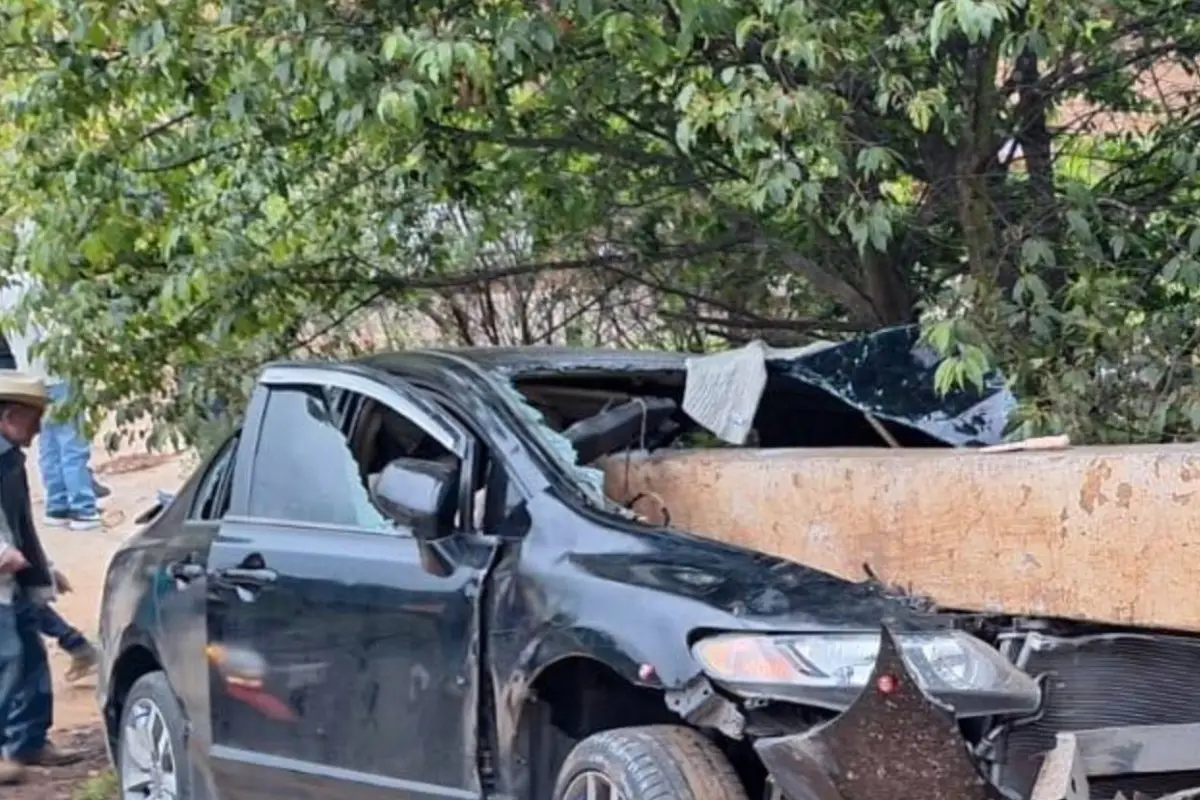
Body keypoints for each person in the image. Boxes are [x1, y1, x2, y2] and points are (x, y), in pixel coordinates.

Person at [0, 372, 82, 785]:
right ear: (11, 415)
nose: (39, 428)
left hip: (14, 576)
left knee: (30, 656)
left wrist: (41, 567)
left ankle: (29, 740)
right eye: (35, 418)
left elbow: (20, 522)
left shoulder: (10, 455)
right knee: (8, 659)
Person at [0, 276, 101, 530]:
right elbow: (57, 332)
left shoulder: (5, 290)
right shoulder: (37, 282)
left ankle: (57, 505)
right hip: (58, 371)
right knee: (72, 443)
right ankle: (82, 507)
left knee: (49, 443)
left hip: (30, 376)